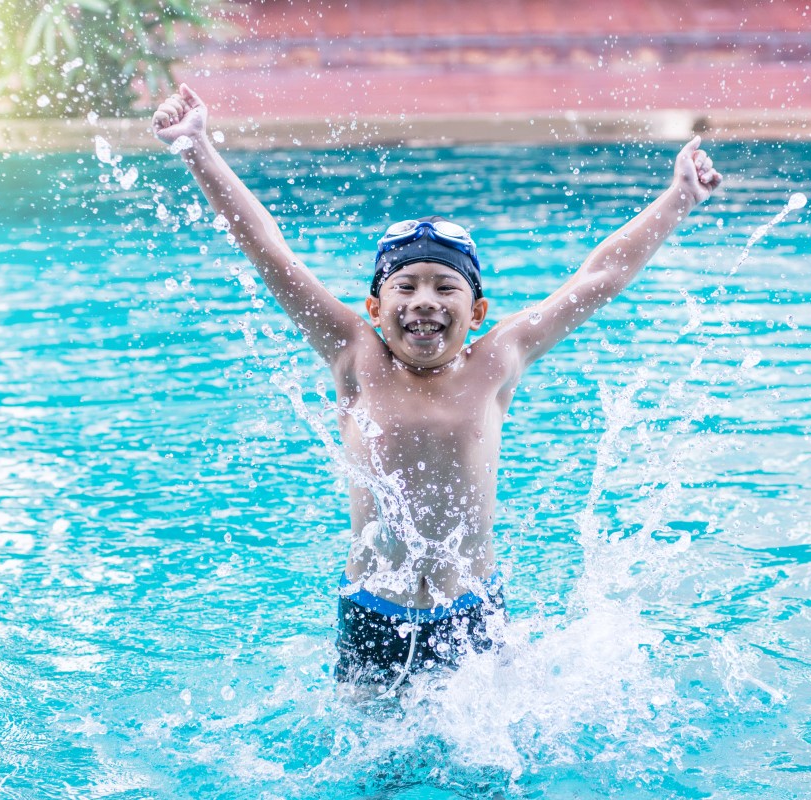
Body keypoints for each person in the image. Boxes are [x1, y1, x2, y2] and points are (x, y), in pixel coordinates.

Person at [152, 84, 722, 694]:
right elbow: (271, 254)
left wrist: (678, 198)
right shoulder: (354, 354)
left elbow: (598, 277)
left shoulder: (495, 359)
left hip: (471, 610)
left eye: (445, 288)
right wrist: (198, 150)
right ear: (376, 305)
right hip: (376, 610)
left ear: (475, 312)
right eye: (407, 286)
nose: (424, 300)